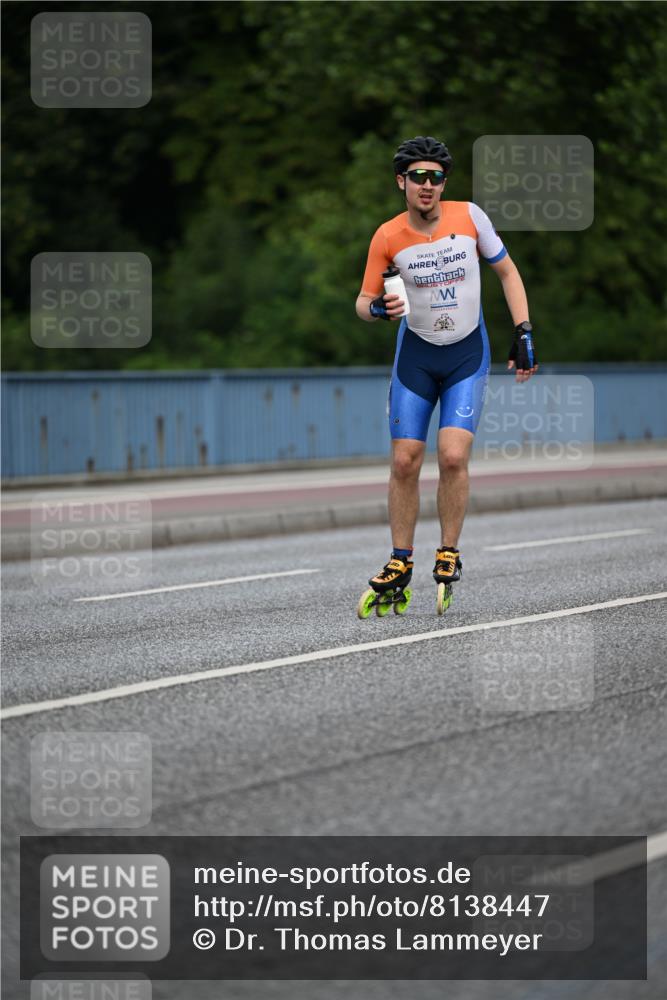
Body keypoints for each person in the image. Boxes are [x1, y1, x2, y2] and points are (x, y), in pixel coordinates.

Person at [356, 135, 537, 603]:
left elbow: (508, 272)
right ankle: (400, 558)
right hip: (416, 355)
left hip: (465, 356)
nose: (428, 185)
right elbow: (362, 300)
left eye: (436, 177)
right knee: (404, 461)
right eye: (418, 177)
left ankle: (449, 550)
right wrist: (376, 311)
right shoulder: (388, 235)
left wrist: (524, 331)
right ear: (402, 182)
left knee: (453, 456)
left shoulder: (470, 217)